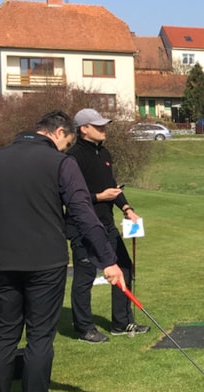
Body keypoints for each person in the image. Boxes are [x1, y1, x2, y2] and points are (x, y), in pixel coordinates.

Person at [0, 110, 123, 392]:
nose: (66, 149)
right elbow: (83, 214)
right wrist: (108, 260)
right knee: (39, 338)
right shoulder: (61, 162)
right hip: (46, 265)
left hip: (1, 262)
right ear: (59, 132)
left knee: (4, 336)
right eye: (67, 143)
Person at [66, 108, 148, 343]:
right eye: (98, 126)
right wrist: (99, 197)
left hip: (106, 224)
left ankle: (121, 323)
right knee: (85, 276)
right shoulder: (73, 158)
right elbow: (71, 197)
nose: (104, 129)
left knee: (124, 268)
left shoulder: (104, 153)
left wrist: (127, 208)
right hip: (81, 225)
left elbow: (112, 186)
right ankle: (84, 328)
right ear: (84, 129)